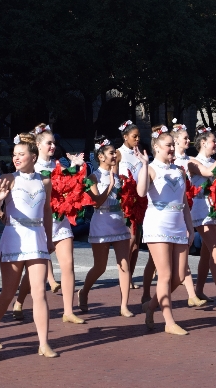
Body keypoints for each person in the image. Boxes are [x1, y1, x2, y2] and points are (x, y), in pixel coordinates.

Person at [0, 132, 57, 357]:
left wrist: (48, 238)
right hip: (14, 237)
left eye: (21, 154)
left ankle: (44, 343)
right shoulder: (7, 178)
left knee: (39, 293)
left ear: (33, 156)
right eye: (14, 154)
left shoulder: (44, 181)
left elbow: (47, 212)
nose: (16, 158)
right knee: (8, 293)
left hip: (36, 239)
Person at [11, 124, 84, 324]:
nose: (53, 146)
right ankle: (19, 301)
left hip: (60, 221)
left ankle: (68, 311)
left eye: (54, 143)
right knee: (35, 270)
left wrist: (76, 168)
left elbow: (70, 185)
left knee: (68, 265)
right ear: (38, 145)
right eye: (48, 143)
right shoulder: (32, 167)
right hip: (41, 224)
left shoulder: (59, 165)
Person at [138, 125, 194, 335]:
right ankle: (169, 322)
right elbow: (141, 192)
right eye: (167, 145)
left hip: (178, 225)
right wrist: (143, 166)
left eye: (173, 144)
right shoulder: (151, 168)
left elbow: (184, 203)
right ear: (157, 147)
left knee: (179, 276)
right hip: (157, 225)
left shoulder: (179, 170)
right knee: (165, 275)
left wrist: (190, 227)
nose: (171, 148)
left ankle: (150, 306)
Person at [78, 136, 133, 317]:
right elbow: (97, 203)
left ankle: (124, 305)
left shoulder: (118, 175)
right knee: (100, 267)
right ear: (101, 156)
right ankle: (84, 291)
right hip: (101, 222)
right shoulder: (93, 177)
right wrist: (109, 186)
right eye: (111, 153)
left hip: (119, 221)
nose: (114, 156)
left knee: (124, 264)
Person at [189, 126, 216, 304]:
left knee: (207, 253)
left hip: (214, 206)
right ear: (203, 143)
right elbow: (208, 173)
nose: (215, 144)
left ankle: (198, 290)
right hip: (200, 207)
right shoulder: (192, 161)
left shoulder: (214, 161)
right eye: (213, 141)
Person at [170, 122, 208, 307]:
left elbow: (209, 171)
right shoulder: (168, 162)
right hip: (168, 214)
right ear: (176, 140)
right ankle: (148, 293)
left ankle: (192, 294)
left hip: (184, 209)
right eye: (185, 138)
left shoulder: (190, 161)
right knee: (155, 264)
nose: (188, 140)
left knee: (182, 255)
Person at [114, 120, 145, 291]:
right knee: (130, 239)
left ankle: (130, 276)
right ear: (125, 137)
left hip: (139, 199)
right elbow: (114, 175)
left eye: (139, 136)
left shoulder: (139, 153)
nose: (137, 139)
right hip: (125, 199)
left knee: (137, 241)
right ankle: (124, 277)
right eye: (134, 136)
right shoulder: (118, 153)